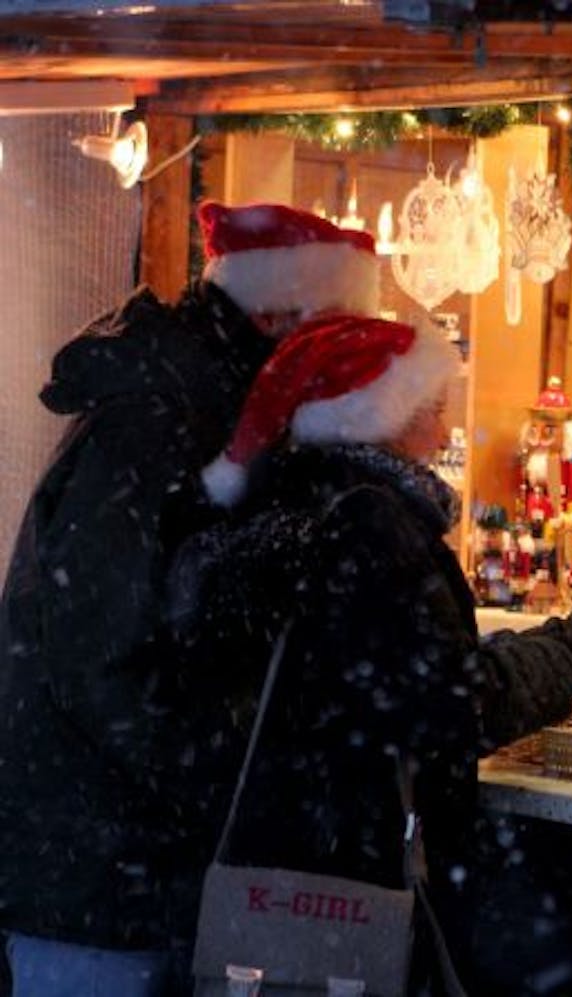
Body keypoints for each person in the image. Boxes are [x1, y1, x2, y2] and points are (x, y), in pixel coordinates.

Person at [167, 314, 572, 994]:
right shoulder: (367, 526)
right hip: (348, 888)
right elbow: (460, 705)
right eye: (435, 410)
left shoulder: (271, 514)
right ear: (380, 416)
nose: (444, 434)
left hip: (256, 881)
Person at [0, 200, 383, 994]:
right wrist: (222, 778)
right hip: (98, 878)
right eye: (329, 338)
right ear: (281, 314)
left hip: (115, 867)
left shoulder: (198, 404)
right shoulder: (161, 421)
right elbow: (99, 658)